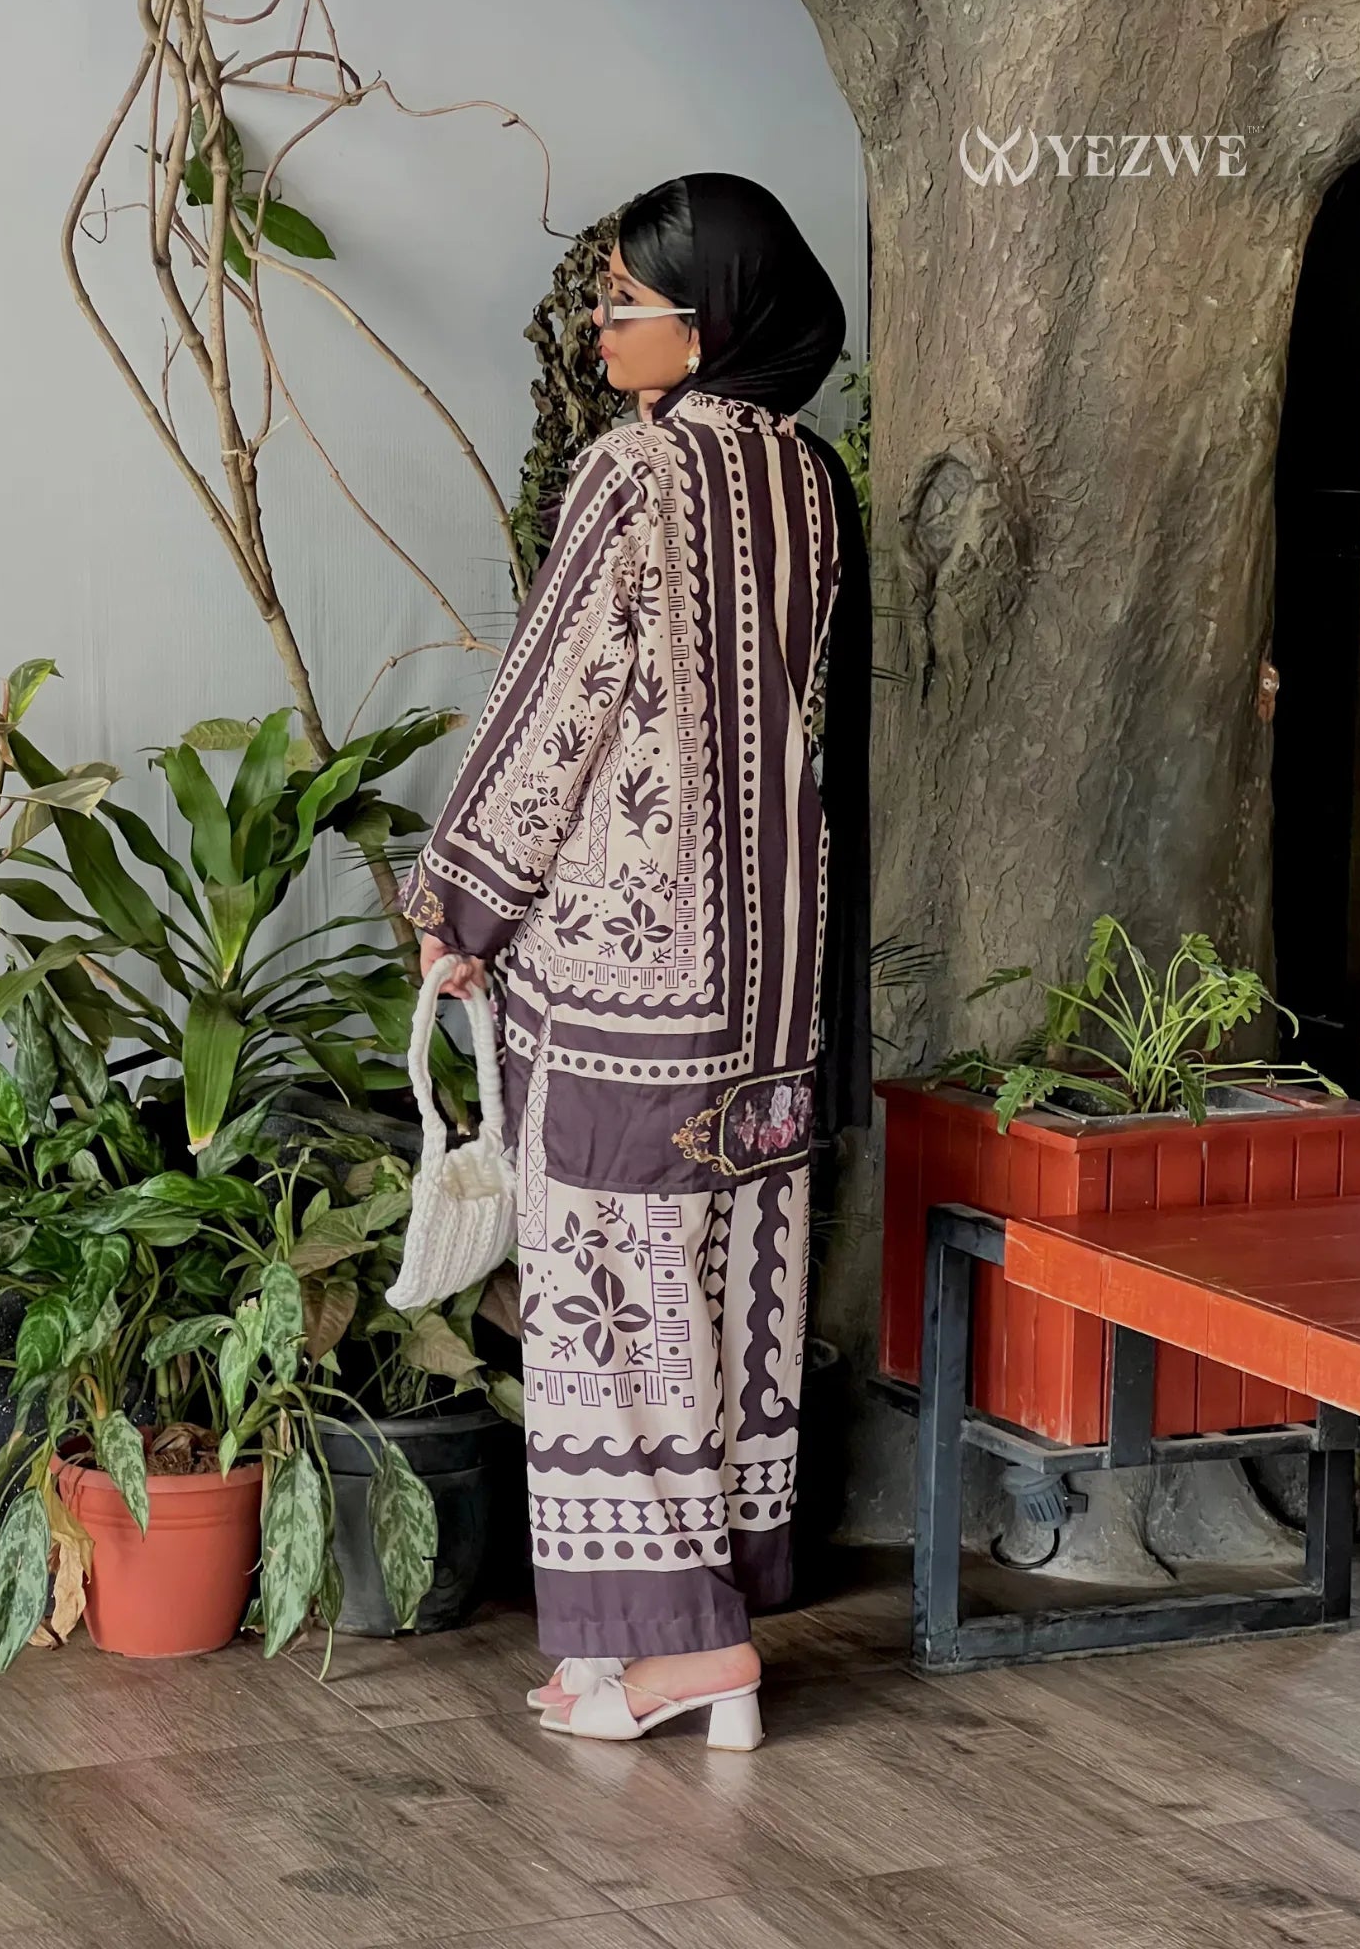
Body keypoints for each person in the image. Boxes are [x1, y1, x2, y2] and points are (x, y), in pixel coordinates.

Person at [398, 171, 871, 1748]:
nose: (602, 326)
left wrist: (460, 905)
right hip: (769, 978)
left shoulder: (635, 474)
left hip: (623, 966)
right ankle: (662, 1640)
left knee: (610, 1294)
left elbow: (554, 711)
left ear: (708, 318)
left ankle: (680, 1651)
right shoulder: (813, 480)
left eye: (626, 301)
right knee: (726, 1287)